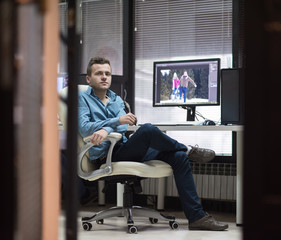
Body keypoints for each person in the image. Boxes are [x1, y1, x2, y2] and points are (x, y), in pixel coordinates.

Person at [78, 56, 228, 231]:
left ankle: (197, 218)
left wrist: (107, 129)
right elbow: (85, 128)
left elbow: (125, 126)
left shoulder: (116, 99)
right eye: (99, 74)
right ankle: (188, 149)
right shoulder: (82, 99)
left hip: (124, 148)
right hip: (107, 156)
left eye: (107, 73)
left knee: (178, 157)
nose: (104, 77)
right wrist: (115, 123)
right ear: (89, 79)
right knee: (148, 129)